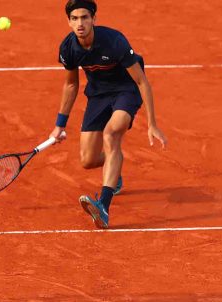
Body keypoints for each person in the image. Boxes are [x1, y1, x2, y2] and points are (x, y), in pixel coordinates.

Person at [50, 0, 167, 228]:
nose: (80, 23)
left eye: (84, 17)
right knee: (88, 160)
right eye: (74, 19)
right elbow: (71, 85)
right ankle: (114, 173)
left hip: (126, 91)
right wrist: (59, 124)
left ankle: (103, 205)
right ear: (69, 22)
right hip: (98, 96)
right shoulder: (68, 48)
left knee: (111, 134)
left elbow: (142, 82)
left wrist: (152, 123)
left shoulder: (114, 42)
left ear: (94, 19)